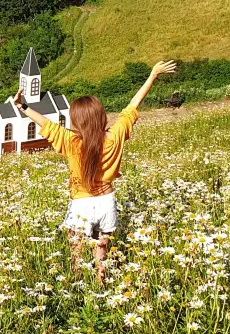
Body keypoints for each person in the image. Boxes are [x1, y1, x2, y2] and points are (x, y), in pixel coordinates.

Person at [15, 60, 177, 283]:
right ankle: (101, 285)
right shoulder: (115, 136)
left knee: (76, 255)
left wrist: (23, 107)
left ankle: (77, 286)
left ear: (76, 120)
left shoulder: (71, 140)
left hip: (81, 204)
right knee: (101, 253)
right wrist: (152, 75)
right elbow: (132, 107)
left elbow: (46, 124)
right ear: (101, 117)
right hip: (106, 202)